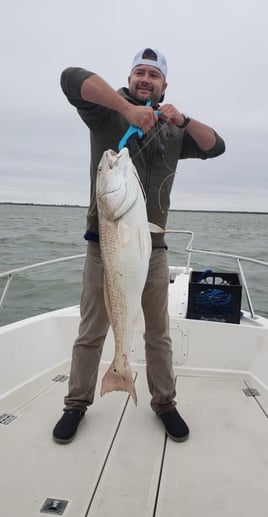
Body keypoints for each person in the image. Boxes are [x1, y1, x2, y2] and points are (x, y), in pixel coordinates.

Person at [53, 48, 225, 444]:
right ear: (130, 79)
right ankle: (75, 403)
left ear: (165, 85)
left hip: (153, 248)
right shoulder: (105, 113)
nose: (146, 80)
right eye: (139, 73)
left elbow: (216, 146)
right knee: (91, 330)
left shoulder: (174, 130)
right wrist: (128, 111)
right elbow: (70, 78)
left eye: (154, 75)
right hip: (106, 246)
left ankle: (164, 402)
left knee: (158, 333)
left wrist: (182, 119)